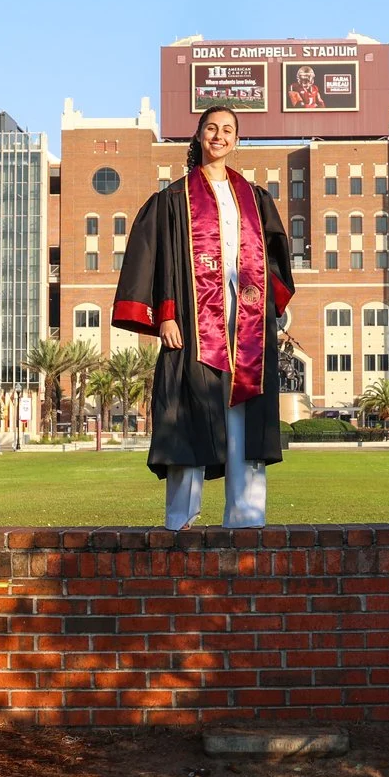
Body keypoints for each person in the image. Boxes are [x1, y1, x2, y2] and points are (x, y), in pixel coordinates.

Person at [110, 105, 294, 530]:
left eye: (228, 130)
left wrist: (268, 310)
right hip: (193, 322)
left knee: (245, 414)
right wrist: (166, 315)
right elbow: (159, 260)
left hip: (247, 323)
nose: (219, 136)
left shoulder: (254, 198)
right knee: (189, 413)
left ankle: (246, 515)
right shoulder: (175, 199)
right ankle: (181, 517)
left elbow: (274, 260)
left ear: (237, 140)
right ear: (197, 135)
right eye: (211, 128)